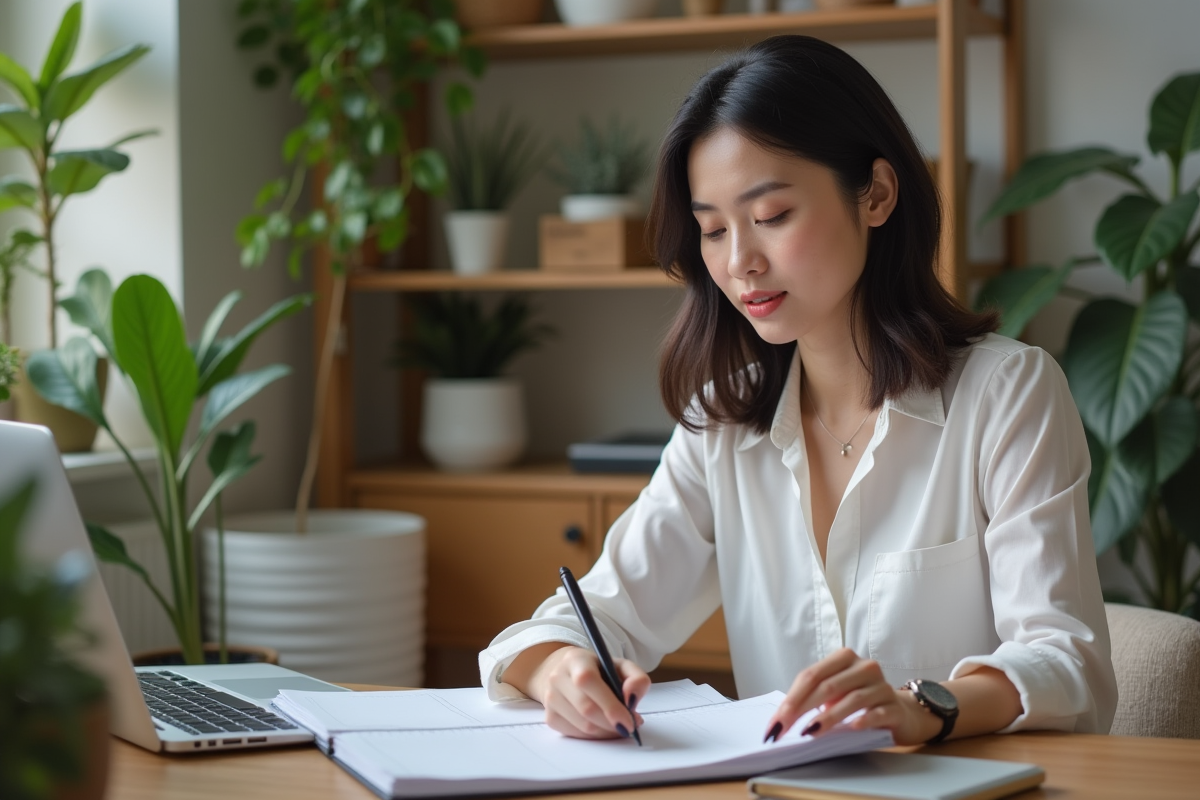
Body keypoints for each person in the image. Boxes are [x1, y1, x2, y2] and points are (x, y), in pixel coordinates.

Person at [479, 35, 1117, 747]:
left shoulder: (1006, 395)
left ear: (875, 194)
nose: (741, 262)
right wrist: (559, 669)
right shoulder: (721, 424)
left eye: (773, 216)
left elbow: (1069, 664)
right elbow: (582, 618)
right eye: (713, 231)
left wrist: (921, 706)